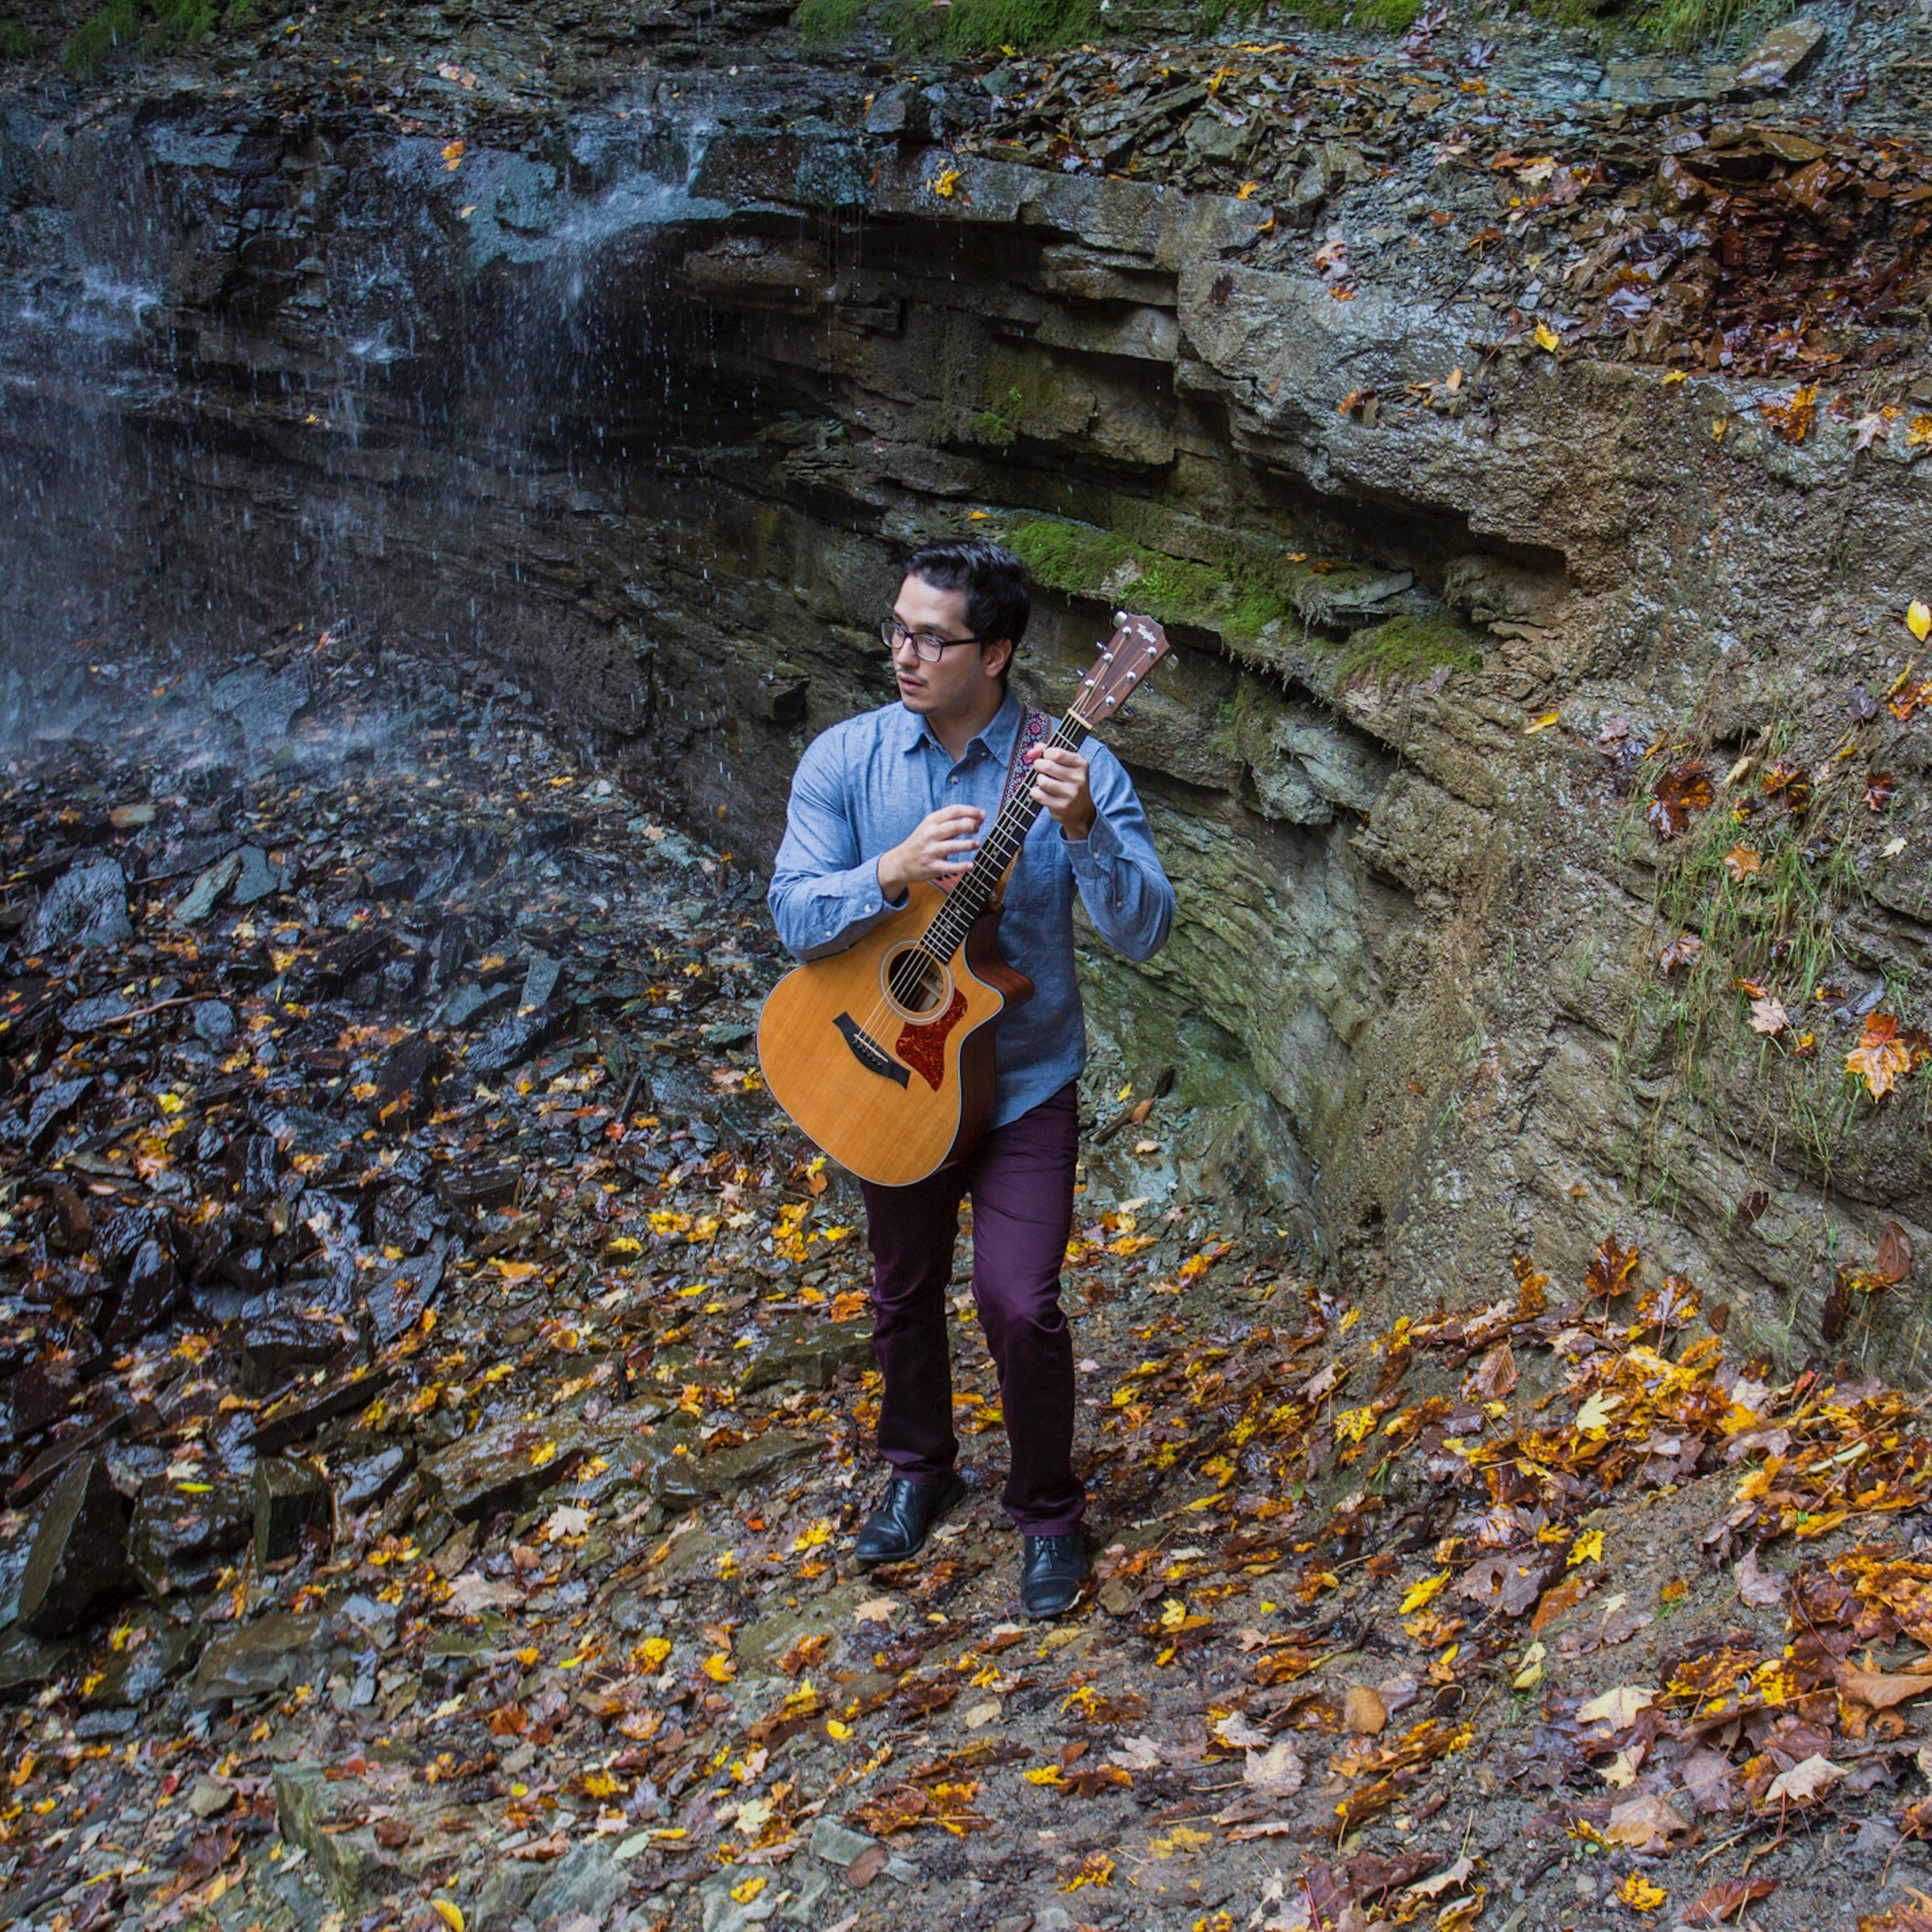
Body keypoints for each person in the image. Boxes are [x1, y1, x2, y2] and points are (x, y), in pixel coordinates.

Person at [766, 538, 1174, 1617]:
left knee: (1018, 1302)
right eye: (897, 630)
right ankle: (920, 1468)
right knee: (902, 1289)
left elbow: (1145, 930)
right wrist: (886, 872)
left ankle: (1048, 1512)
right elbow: (792, 914)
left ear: (996, 653)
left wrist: (1083, 828)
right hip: (890, 1074)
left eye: (931, 639)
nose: (903, 654)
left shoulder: (1072, 764)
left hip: (1023, 1082)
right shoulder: (848, 760)